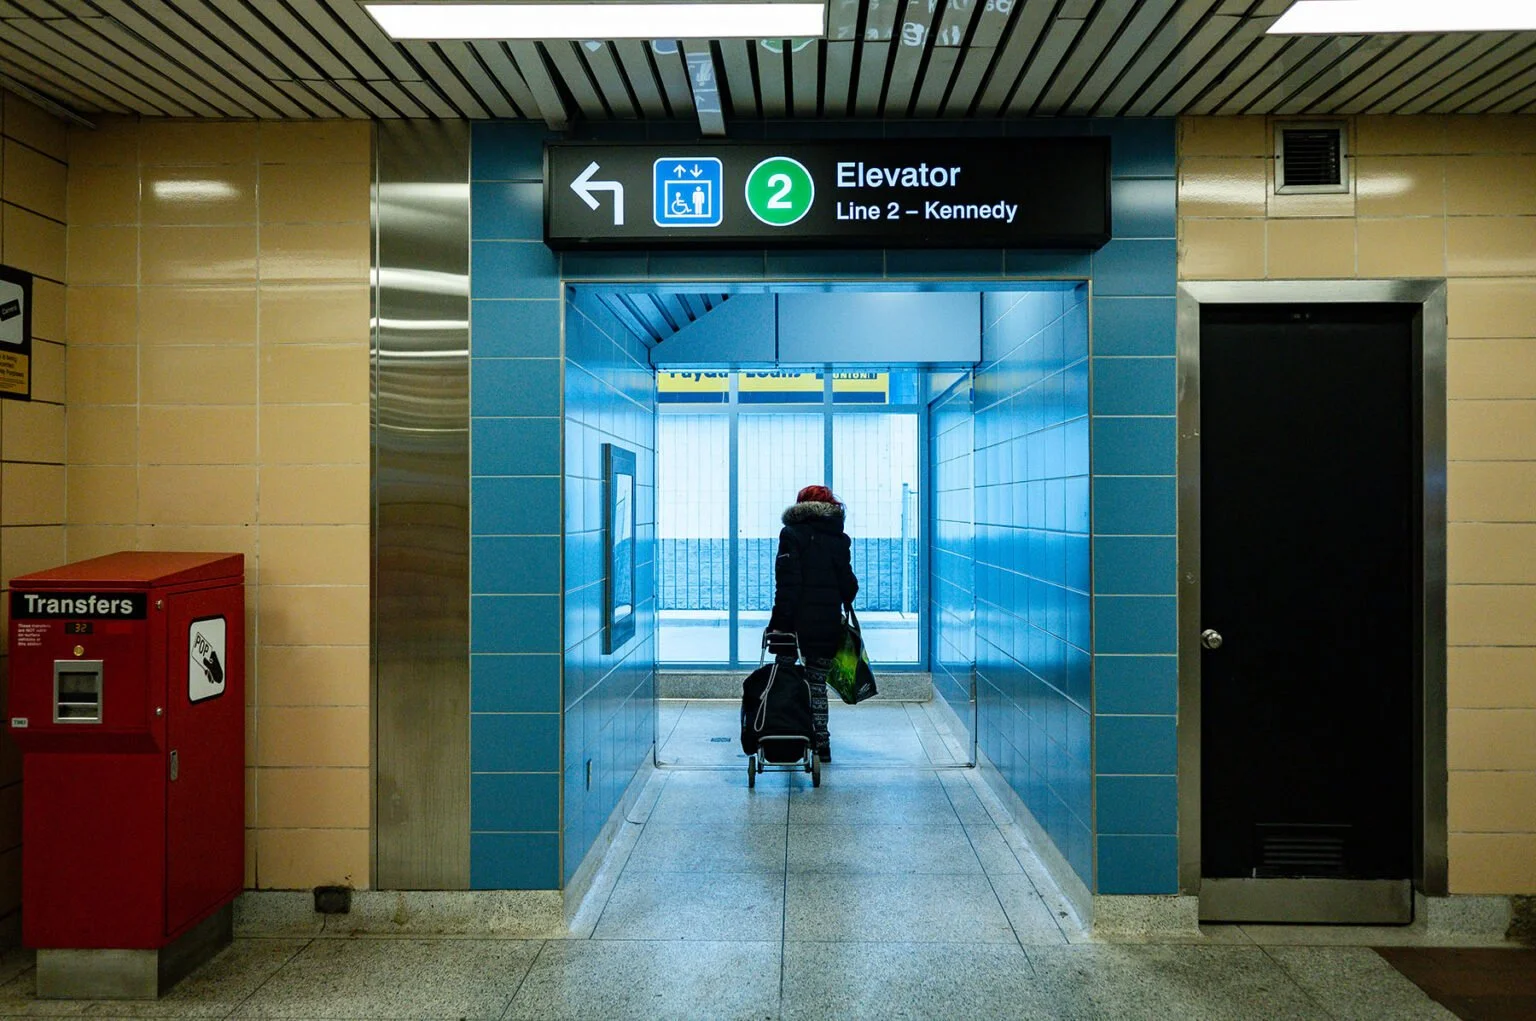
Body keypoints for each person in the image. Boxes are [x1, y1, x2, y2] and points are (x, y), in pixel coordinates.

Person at [767, 484, 859, 763]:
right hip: (826, 624)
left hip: (793, 624)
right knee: (817, 684)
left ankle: (785, 734)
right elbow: (849, 586)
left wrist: (778, 624)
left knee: (783, 679)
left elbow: (787, 585)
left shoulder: (791, 534)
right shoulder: (839, 538)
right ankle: (822, 743)